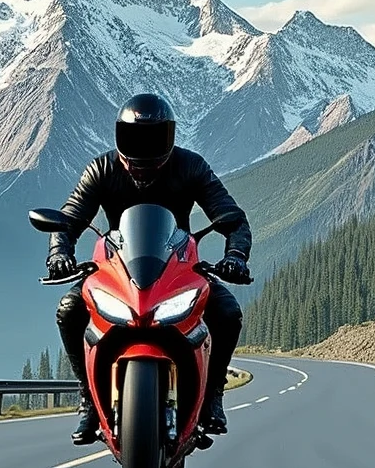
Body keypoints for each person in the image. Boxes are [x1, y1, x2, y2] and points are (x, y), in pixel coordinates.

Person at [46, 94, 253, 445]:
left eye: (154, 138)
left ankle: (213, 396)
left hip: (179, 270)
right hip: (114, 271)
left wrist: (235, 255)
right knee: (69, 311)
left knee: (228, 312)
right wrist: (58, 253)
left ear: (170, 138)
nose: (143, 151)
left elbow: (233, 219)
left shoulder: (191, 167)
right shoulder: (102, 169)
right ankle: (88, 402)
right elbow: (68, 219)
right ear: (119, 137)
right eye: (134, 138)